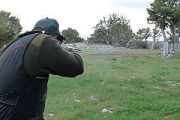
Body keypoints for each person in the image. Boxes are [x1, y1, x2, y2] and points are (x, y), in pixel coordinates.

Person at [0, 17, 84, 120]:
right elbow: (77, 66)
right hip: (18, 114)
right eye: (59, 41)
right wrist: (66, 50)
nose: (59, 44)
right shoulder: (42, 42)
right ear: (54, 38)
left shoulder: (16, 42)